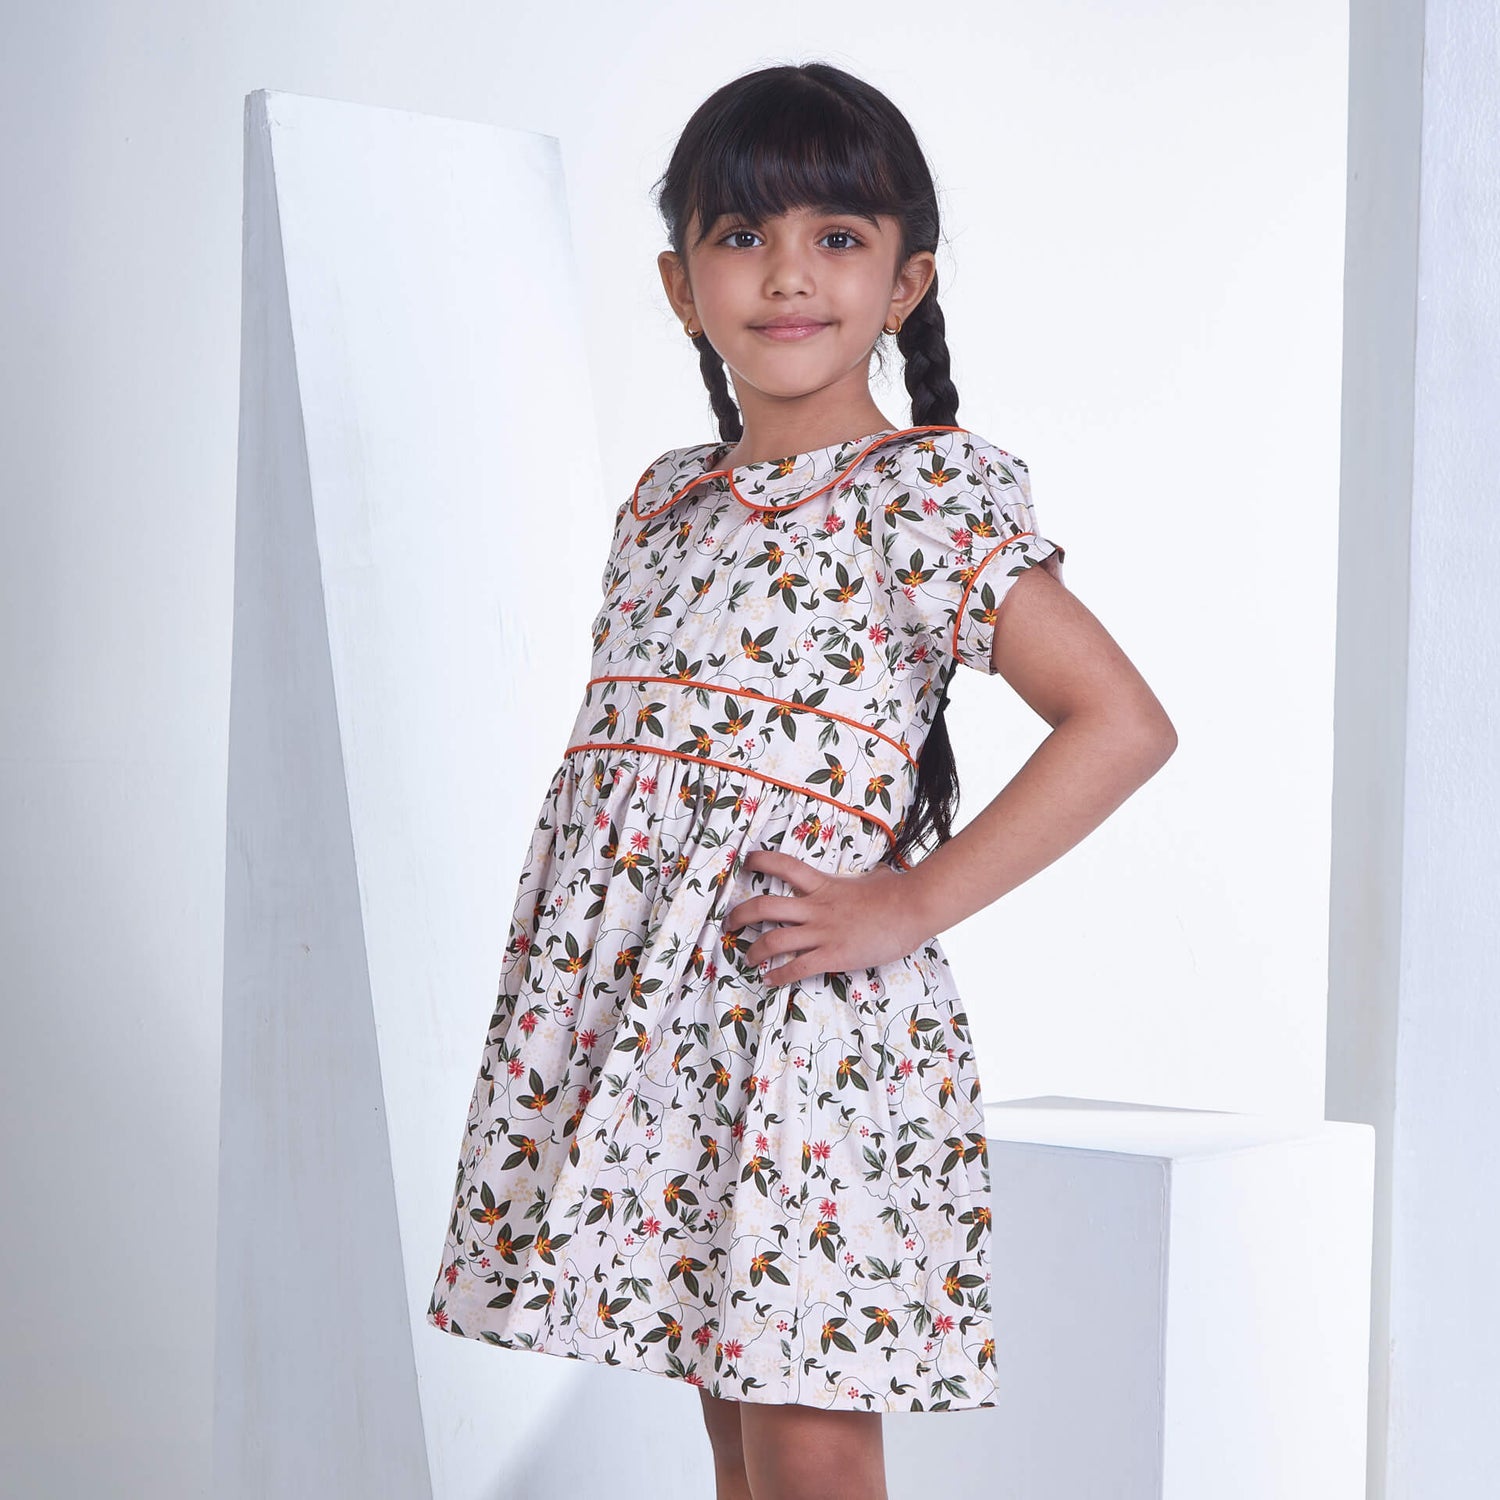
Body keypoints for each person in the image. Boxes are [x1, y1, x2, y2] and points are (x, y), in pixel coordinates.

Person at [427, 60, 1176, 1500]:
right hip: (668, 1026)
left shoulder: (923, 495)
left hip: (806, 1030)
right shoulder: (666, 500)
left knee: (809, 1430)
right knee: (730, 1415)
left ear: (905, 285)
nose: (787, 275)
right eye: (741, 235)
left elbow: (1119, 721)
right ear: (677, 281)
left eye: (837, 238)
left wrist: (902, 905)